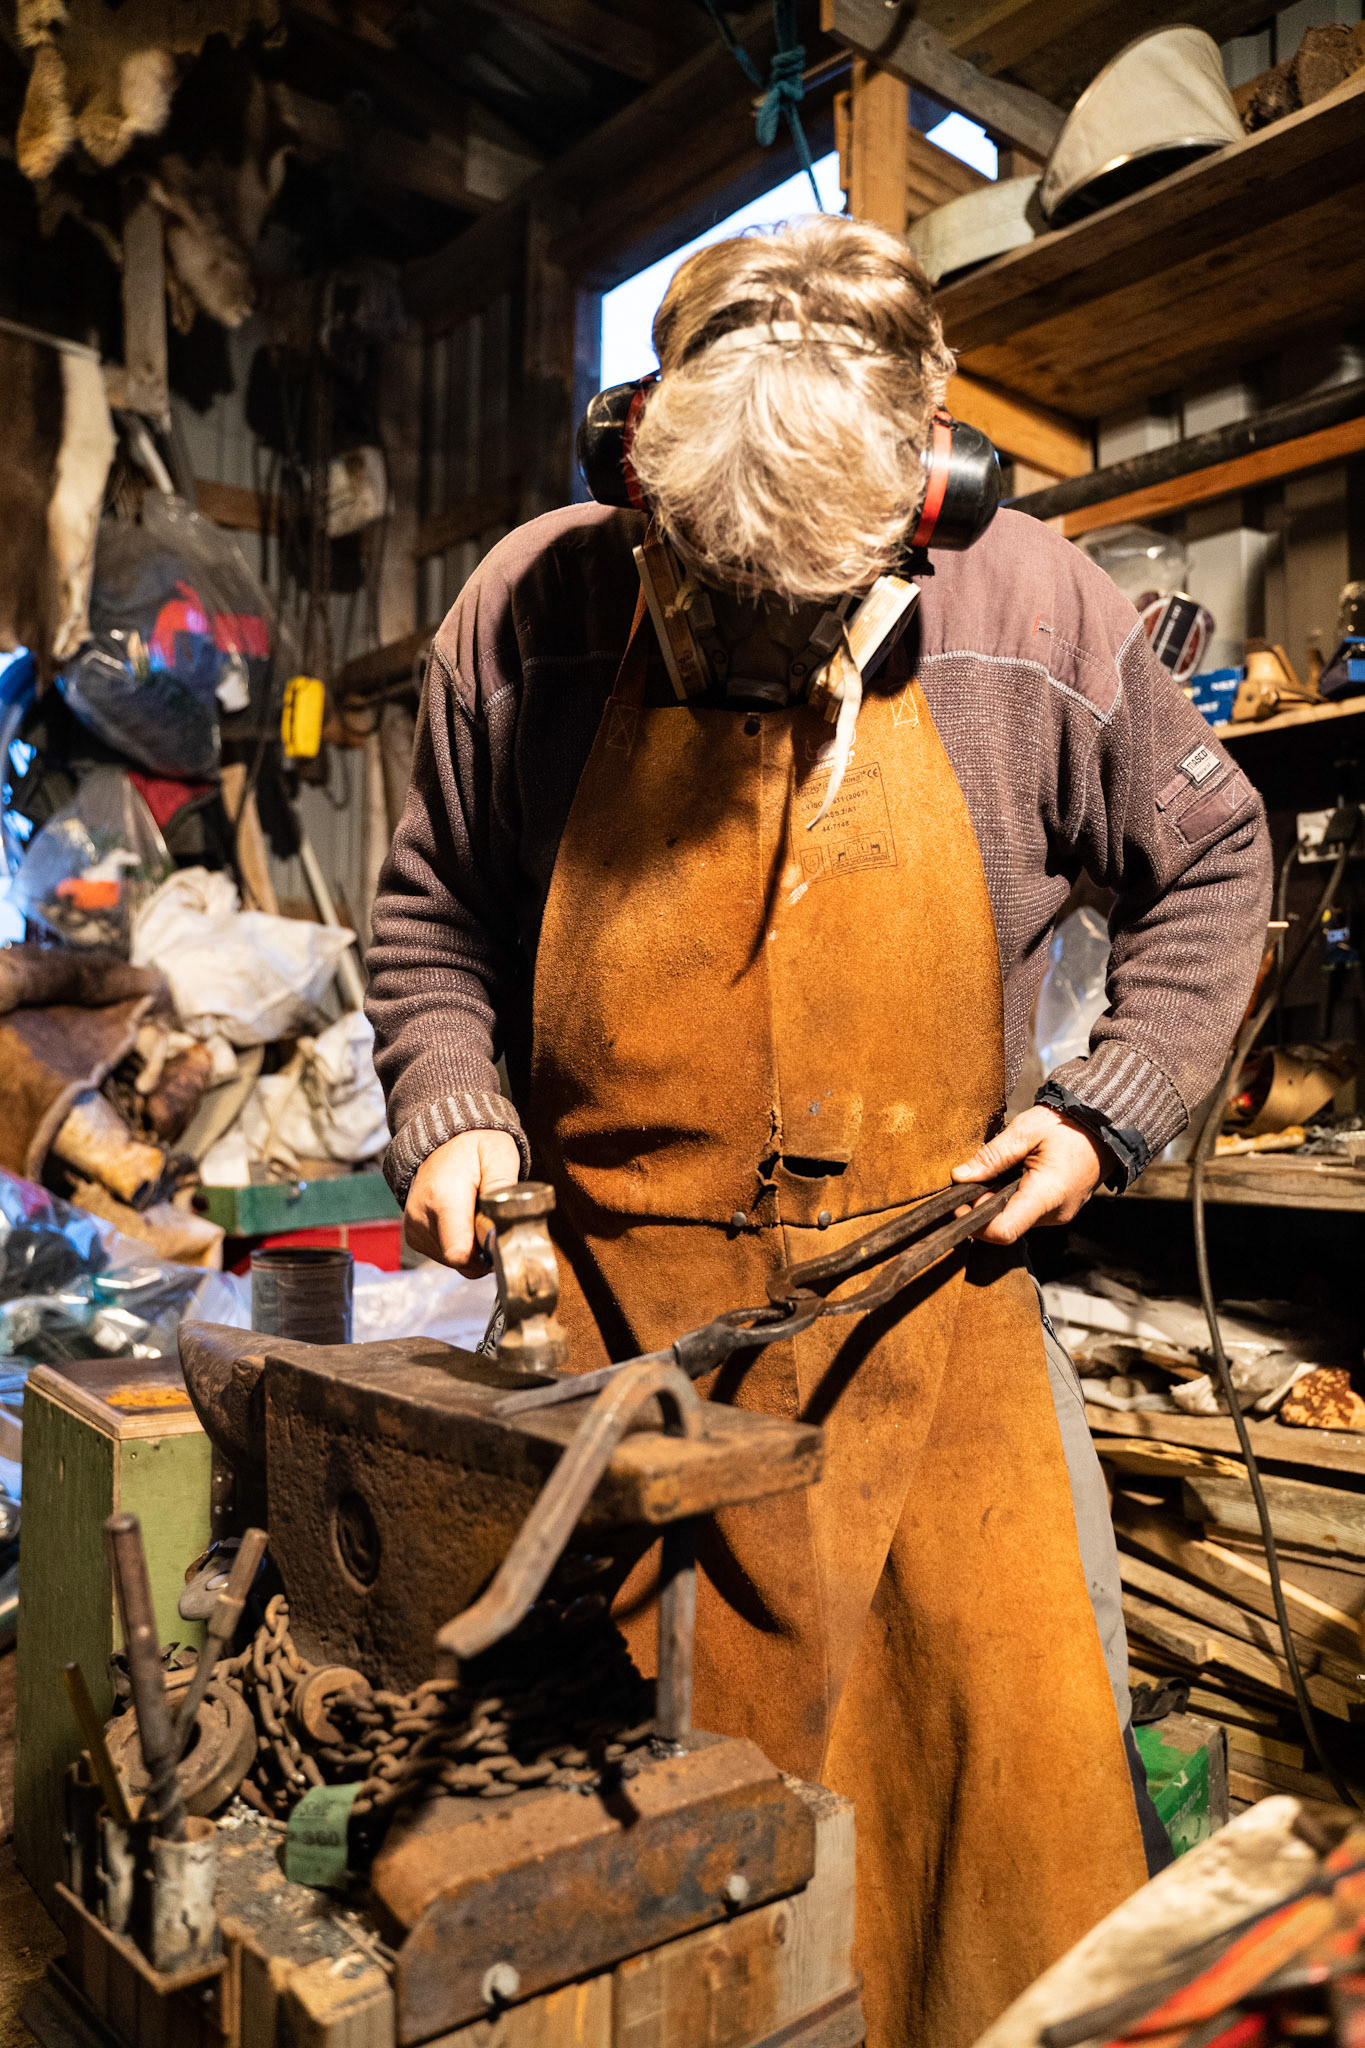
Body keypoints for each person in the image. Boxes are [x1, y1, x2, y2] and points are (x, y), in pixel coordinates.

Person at [366, 215, 1270, 2048]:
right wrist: (452, 1107)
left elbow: (1217, 857)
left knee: (1010, 1835)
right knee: (592, 1847)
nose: (758, 648)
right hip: (618, 1330)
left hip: (935, 1311)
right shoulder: (533, 608)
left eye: (812, 605)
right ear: (633, 470)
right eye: (709, 591)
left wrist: (1107, 1112)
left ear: (929, 494)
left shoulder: (1033, 610)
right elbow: (433, 908)